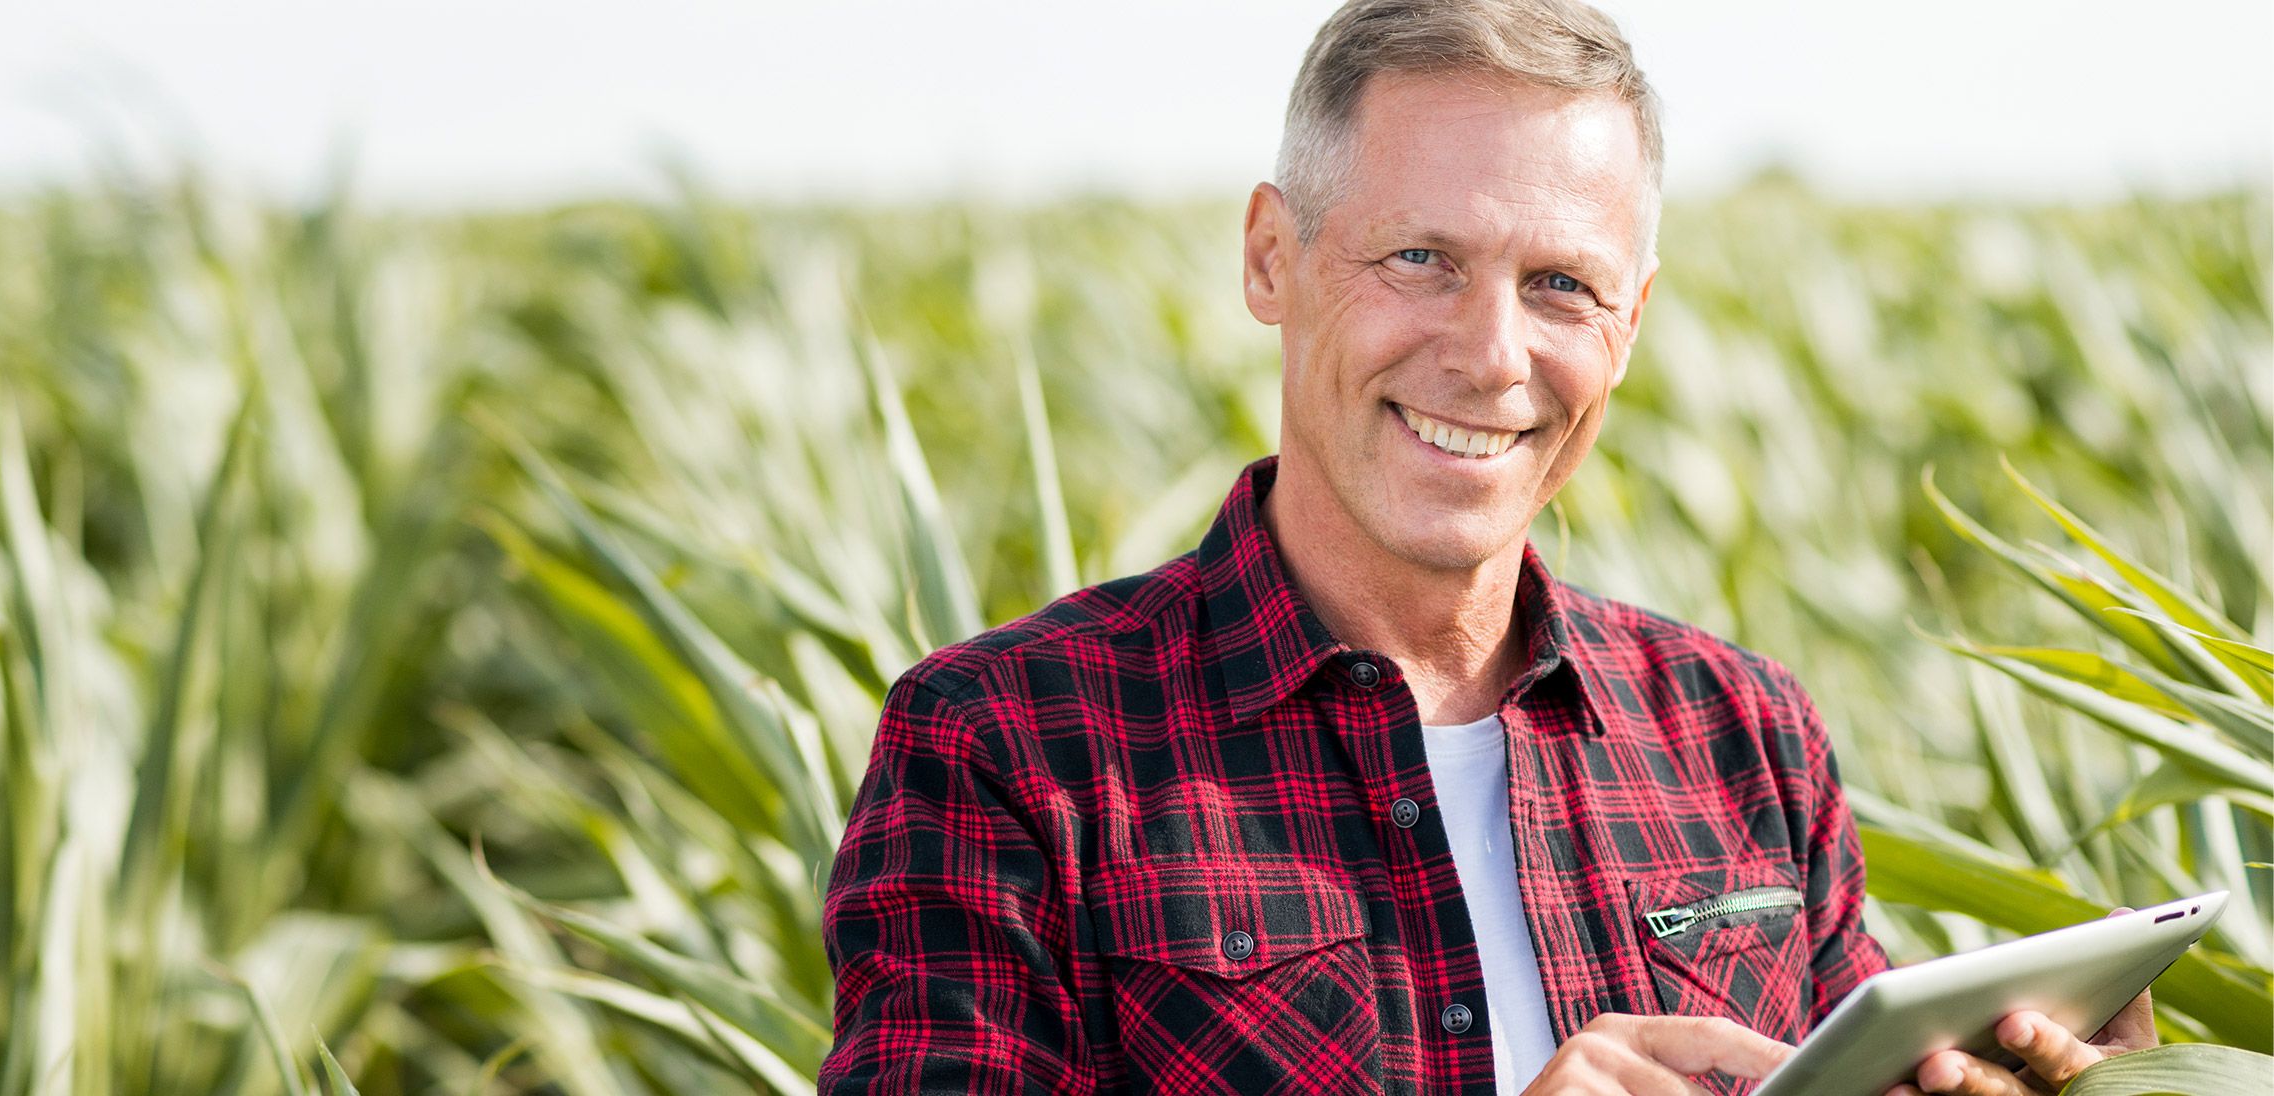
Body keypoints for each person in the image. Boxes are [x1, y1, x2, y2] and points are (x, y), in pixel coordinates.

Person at [817, 0, 2158, 1092]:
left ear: (1627, 327)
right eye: (1419, 260)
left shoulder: (1743, 734)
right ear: (1272, 258)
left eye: (1560, 286)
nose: (1490, 355)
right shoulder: (1011, 747)